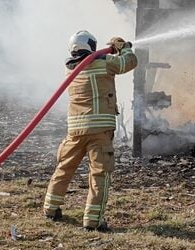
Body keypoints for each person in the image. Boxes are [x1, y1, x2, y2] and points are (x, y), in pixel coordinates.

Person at [43, 31, 138, 232]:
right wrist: (123, 47)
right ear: (91, 46)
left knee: (64, 167)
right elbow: (129, 62)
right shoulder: (104, 62)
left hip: (75, 129)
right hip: (100, 130)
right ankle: (93, 221)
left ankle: (51, 208)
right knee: (99, 174)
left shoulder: (70, 69)